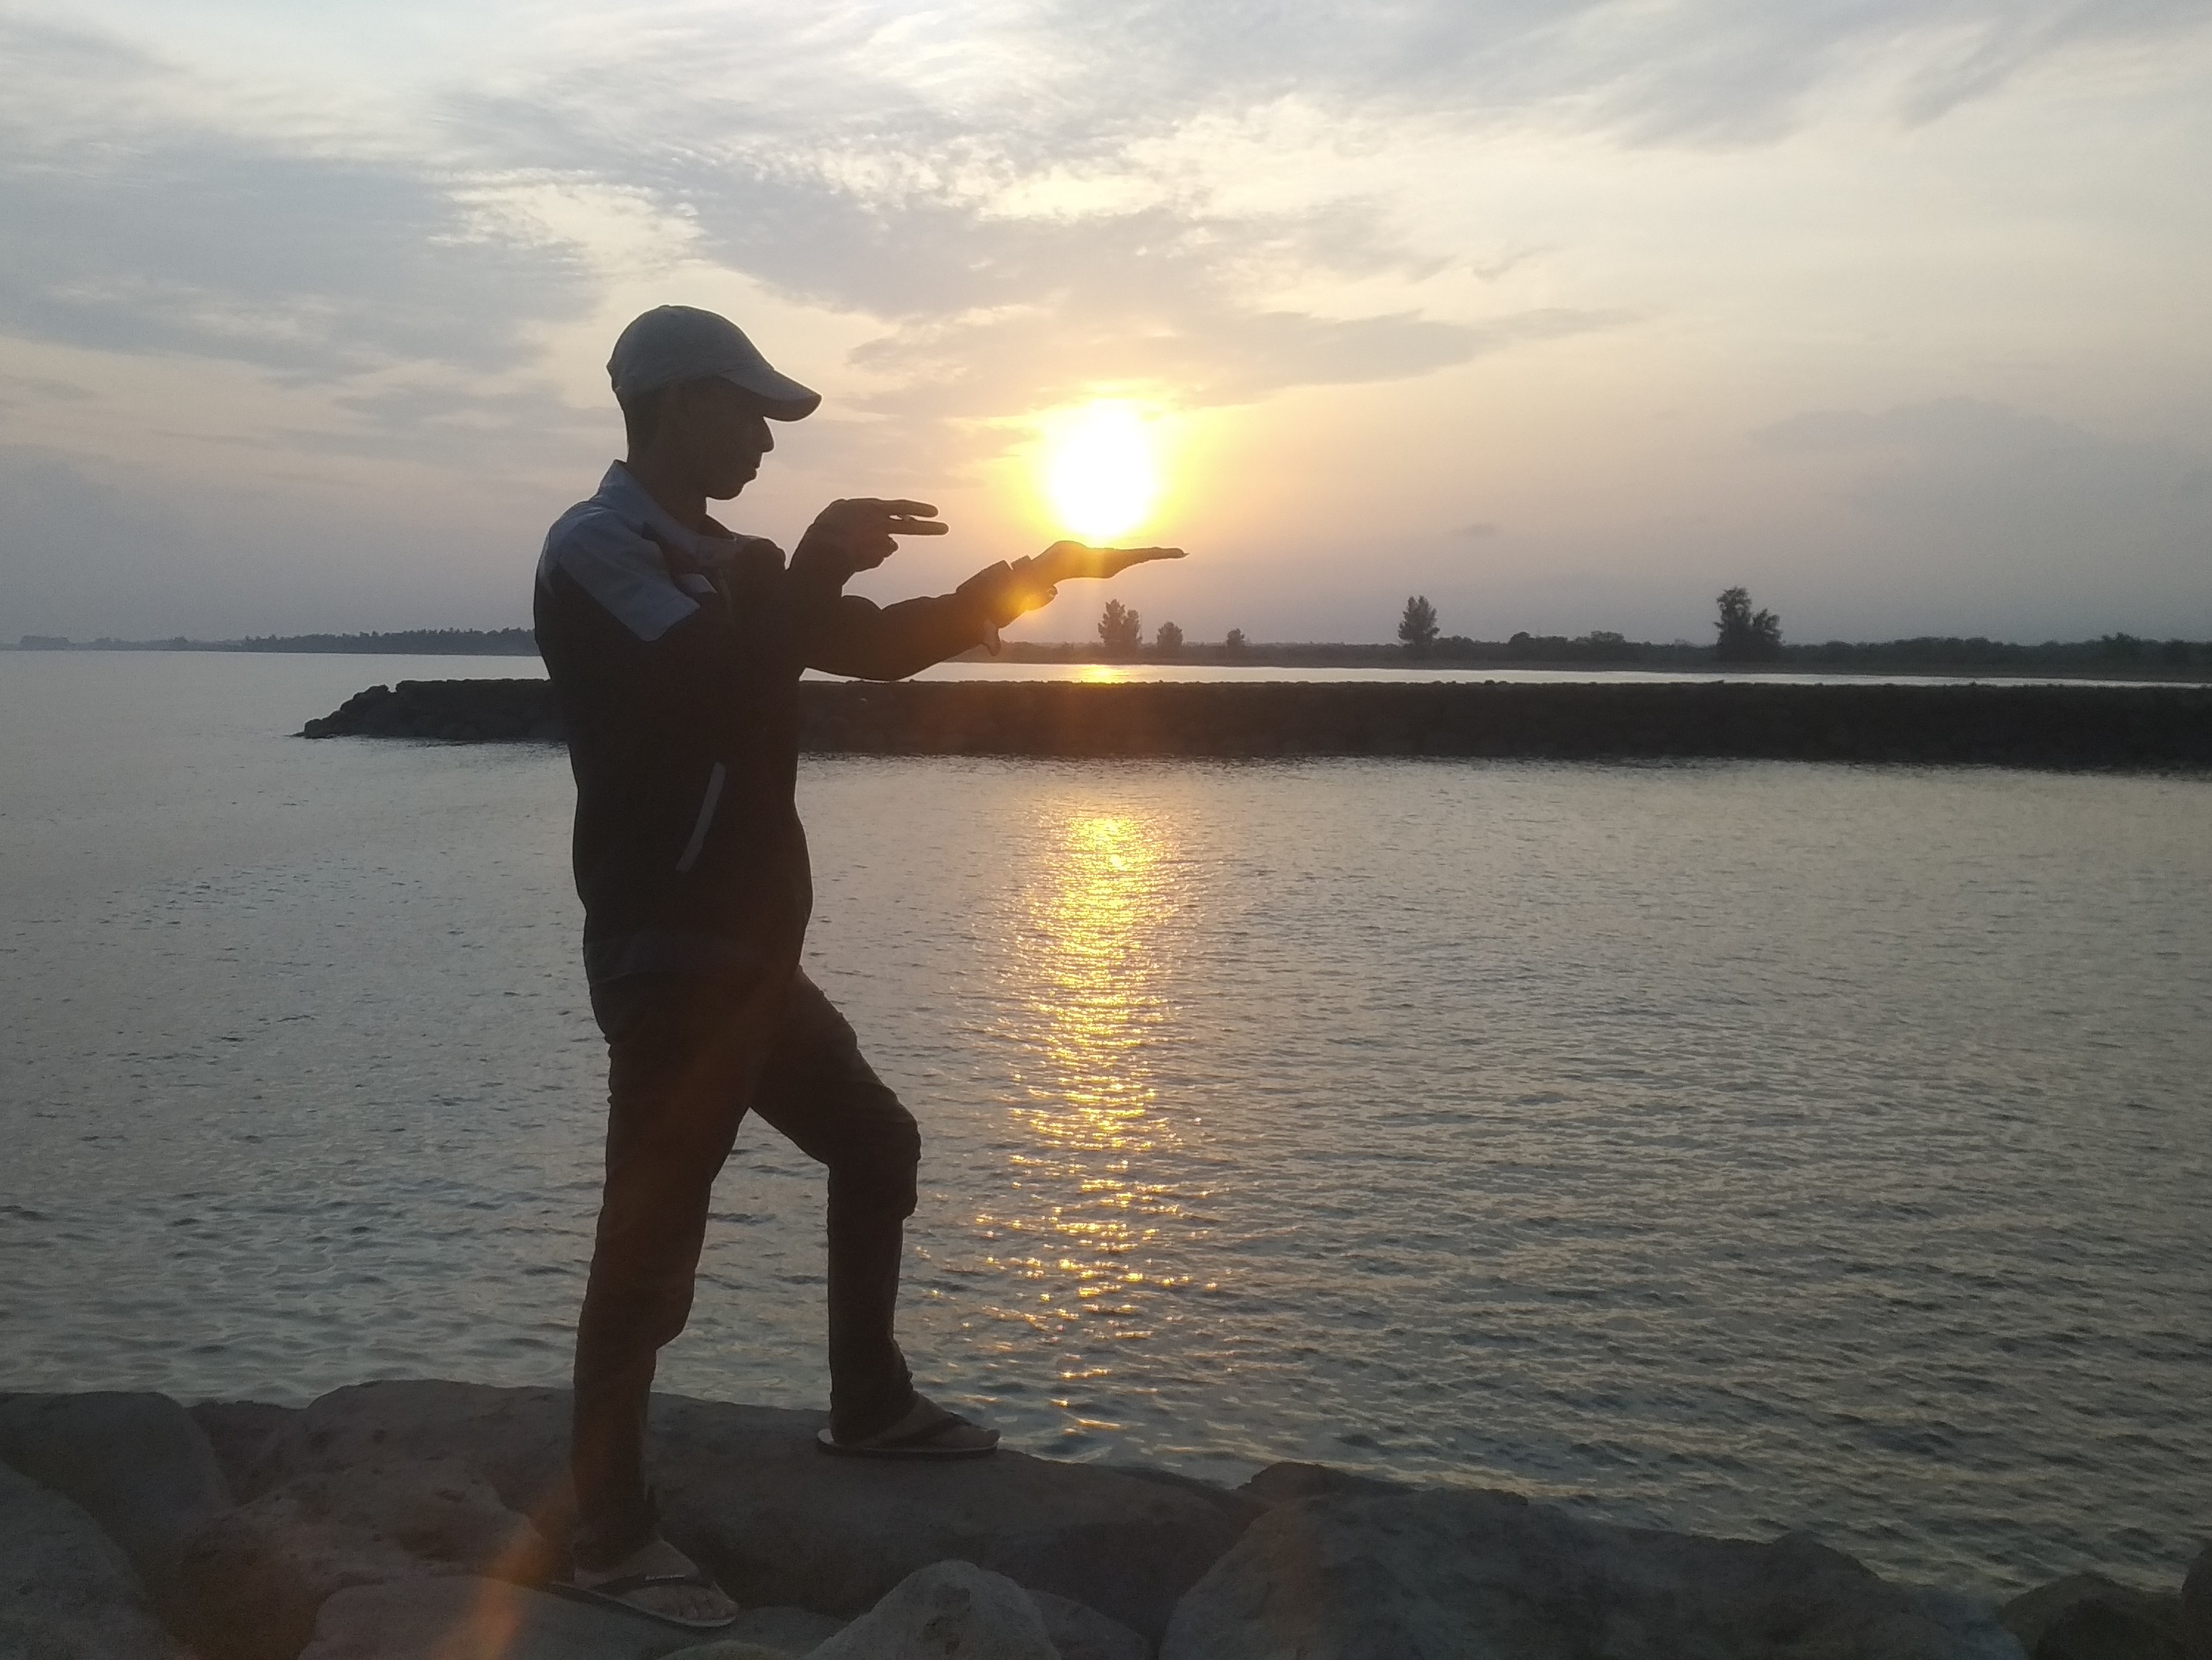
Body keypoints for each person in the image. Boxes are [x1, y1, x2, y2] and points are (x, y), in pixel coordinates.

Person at [532, 304, 1181, 1630]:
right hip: (669, 954)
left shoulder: (733, 560)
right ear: (676, 405)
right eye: (748, 412)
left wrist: (1040, 571)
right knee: (647, 1250)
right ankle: (606, 1533)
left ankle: (869, 1403)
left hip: (750, 956)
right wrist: (816, 564)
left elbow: (876, 645)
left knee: (875, 1142)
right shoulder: (596, 548)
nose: (766, 441)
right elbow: (707, 678)